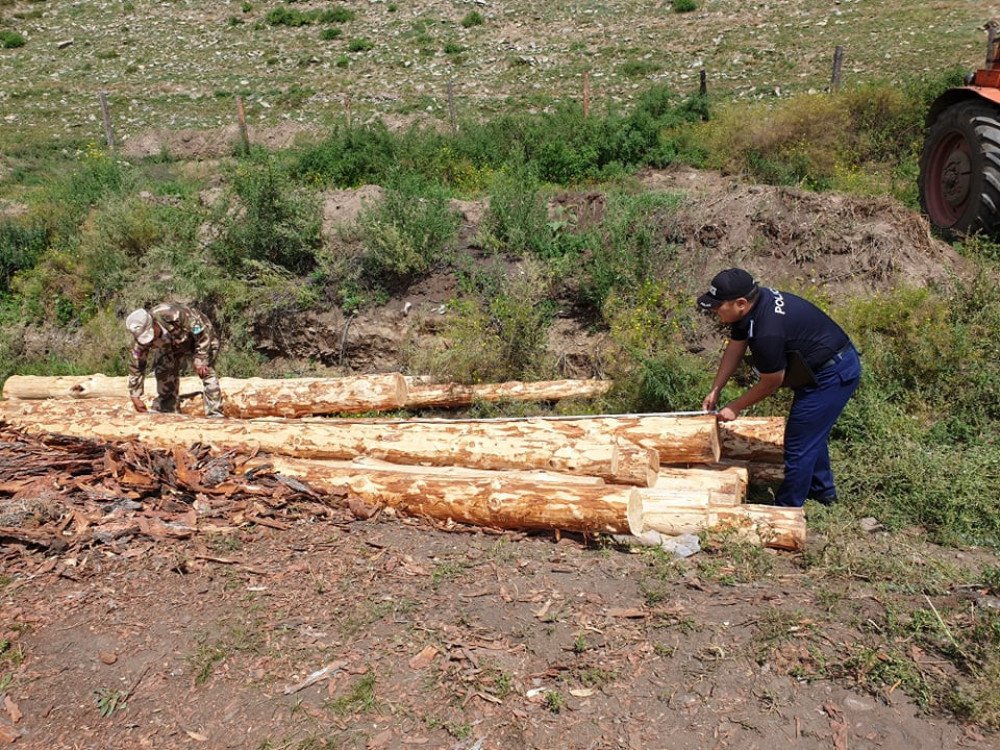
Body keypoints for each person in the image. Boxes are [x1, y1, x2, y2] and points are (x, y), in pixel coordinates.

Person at [697, 268, 860, 508]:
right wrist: (716, 389)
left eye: (718, 305)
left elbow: (772, 381)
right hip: (817, 368)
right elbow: (735, 348)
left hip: (832, 374)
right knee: (810, 432)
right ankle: (824, 493)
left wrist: (736, 406)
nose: (713, 310)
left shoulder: (767, 332)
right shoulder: (751, 308)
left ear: (740, 303)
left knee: (798, 444)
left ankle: (786, 510)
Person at [125, 303, 224, 418]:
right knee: (163, 369)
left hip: (200, 339)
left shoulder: (173, 315)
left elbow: (201, 332)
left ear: (153, 323)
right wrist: (135, 395)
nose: (149, 341)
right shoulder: (139, 341)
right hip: (171, 346)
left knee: (206, 371)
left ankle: (215, 413)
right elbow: (136, 365)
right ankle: (168, 408)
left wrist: (201, 358)